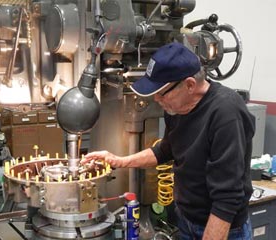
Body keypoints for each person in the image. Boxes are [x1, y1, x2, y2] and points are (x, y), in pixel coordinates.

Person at [81, 42, 255, 239]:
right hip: (187, 220)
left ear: (189, 85)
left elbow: (227, 198)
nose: (156, 99)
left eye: (162, 92)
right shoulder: (177, 108)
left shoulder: (226, 114)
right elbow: (165, 150)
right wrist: (119, 161)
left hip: (222, 228)